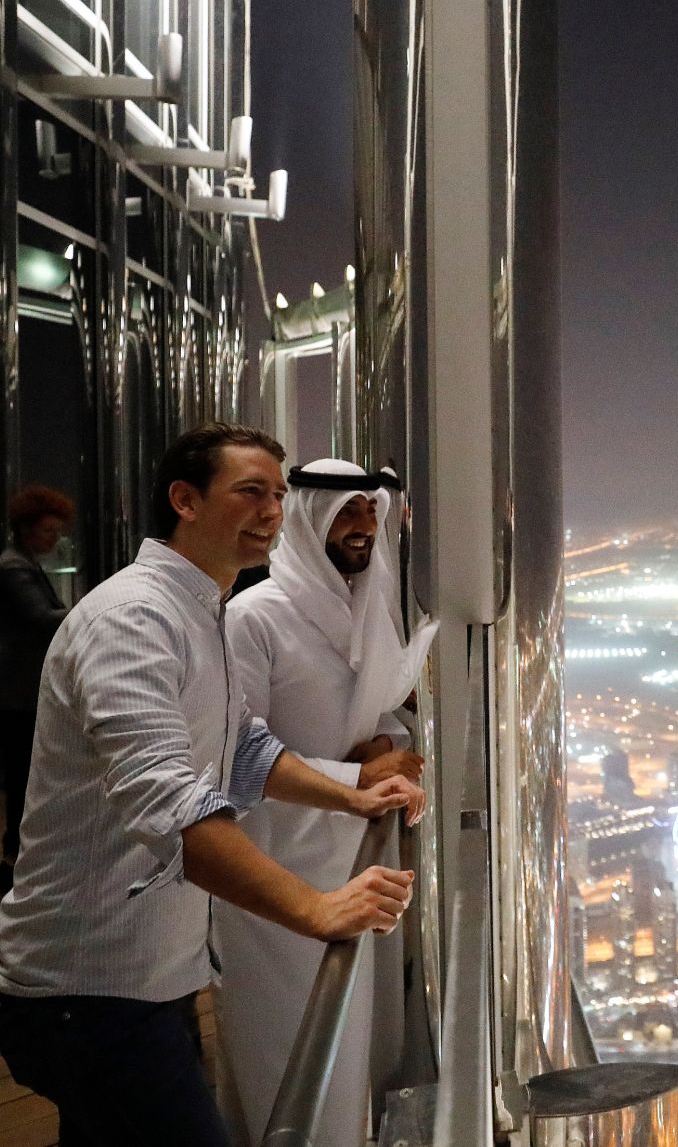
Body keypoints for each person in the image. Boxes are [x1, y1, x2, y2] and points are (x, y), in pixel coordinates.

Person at [0, 423, 420, 1147]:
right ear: (184, 499)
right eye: (250, 492)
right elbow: (172, 807)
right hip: (87, 987)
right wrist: (318, 910)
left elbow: (241, 746)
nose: (271, 510)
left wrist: (352, 794)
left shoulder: (200, 608)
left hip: (144, 973)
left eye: (278, 494)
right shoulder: (134, 621)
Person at [215, 458, 435, 1147]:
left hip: (354, 859)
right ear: (309, 523)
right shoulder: (253, 618)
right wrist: (351, 775)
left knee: (354, 1043)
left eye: (369, 511)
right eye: (346, 513)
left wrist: (376, 752)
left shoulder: (365, 611)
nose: (363, 527)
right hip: (276, 863)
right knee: (286, 1042)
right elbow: (232, 754)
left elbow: (371, 717)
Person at [0, 485, 76, 891]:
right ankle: (15, 859)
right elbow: (41, 618)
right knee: (23, 770)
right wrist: (95, 608)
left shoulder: (19, 562)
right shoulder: (15, 568)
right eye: (47, 531)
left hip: (1, 686)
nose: (54, 539)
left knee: (23, 769)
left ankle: (19, 856)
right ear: (26, 530)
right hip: (3, 688)